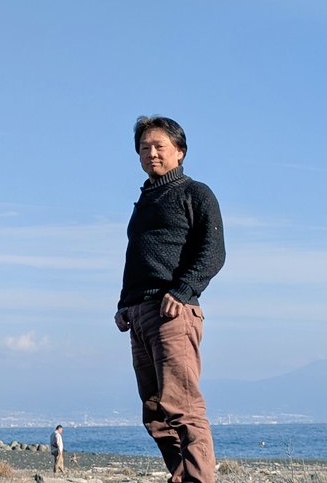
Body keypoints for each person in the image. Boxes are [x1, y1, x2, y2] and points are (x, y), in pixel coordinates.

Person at [114, 116, 225, 483]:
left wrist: (182, 291)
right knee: (155, 413)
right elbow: (138, 257)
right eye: (144, 147)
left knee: (183, 406)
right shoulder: (145, 200)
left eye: (159, 146)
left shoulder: (195, 193)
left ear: (180, 151)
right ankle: (184, 475)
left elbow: (213, 252)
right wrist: (123, 303)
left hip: (172, 312)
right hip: (139, 314)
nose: (151, 153)